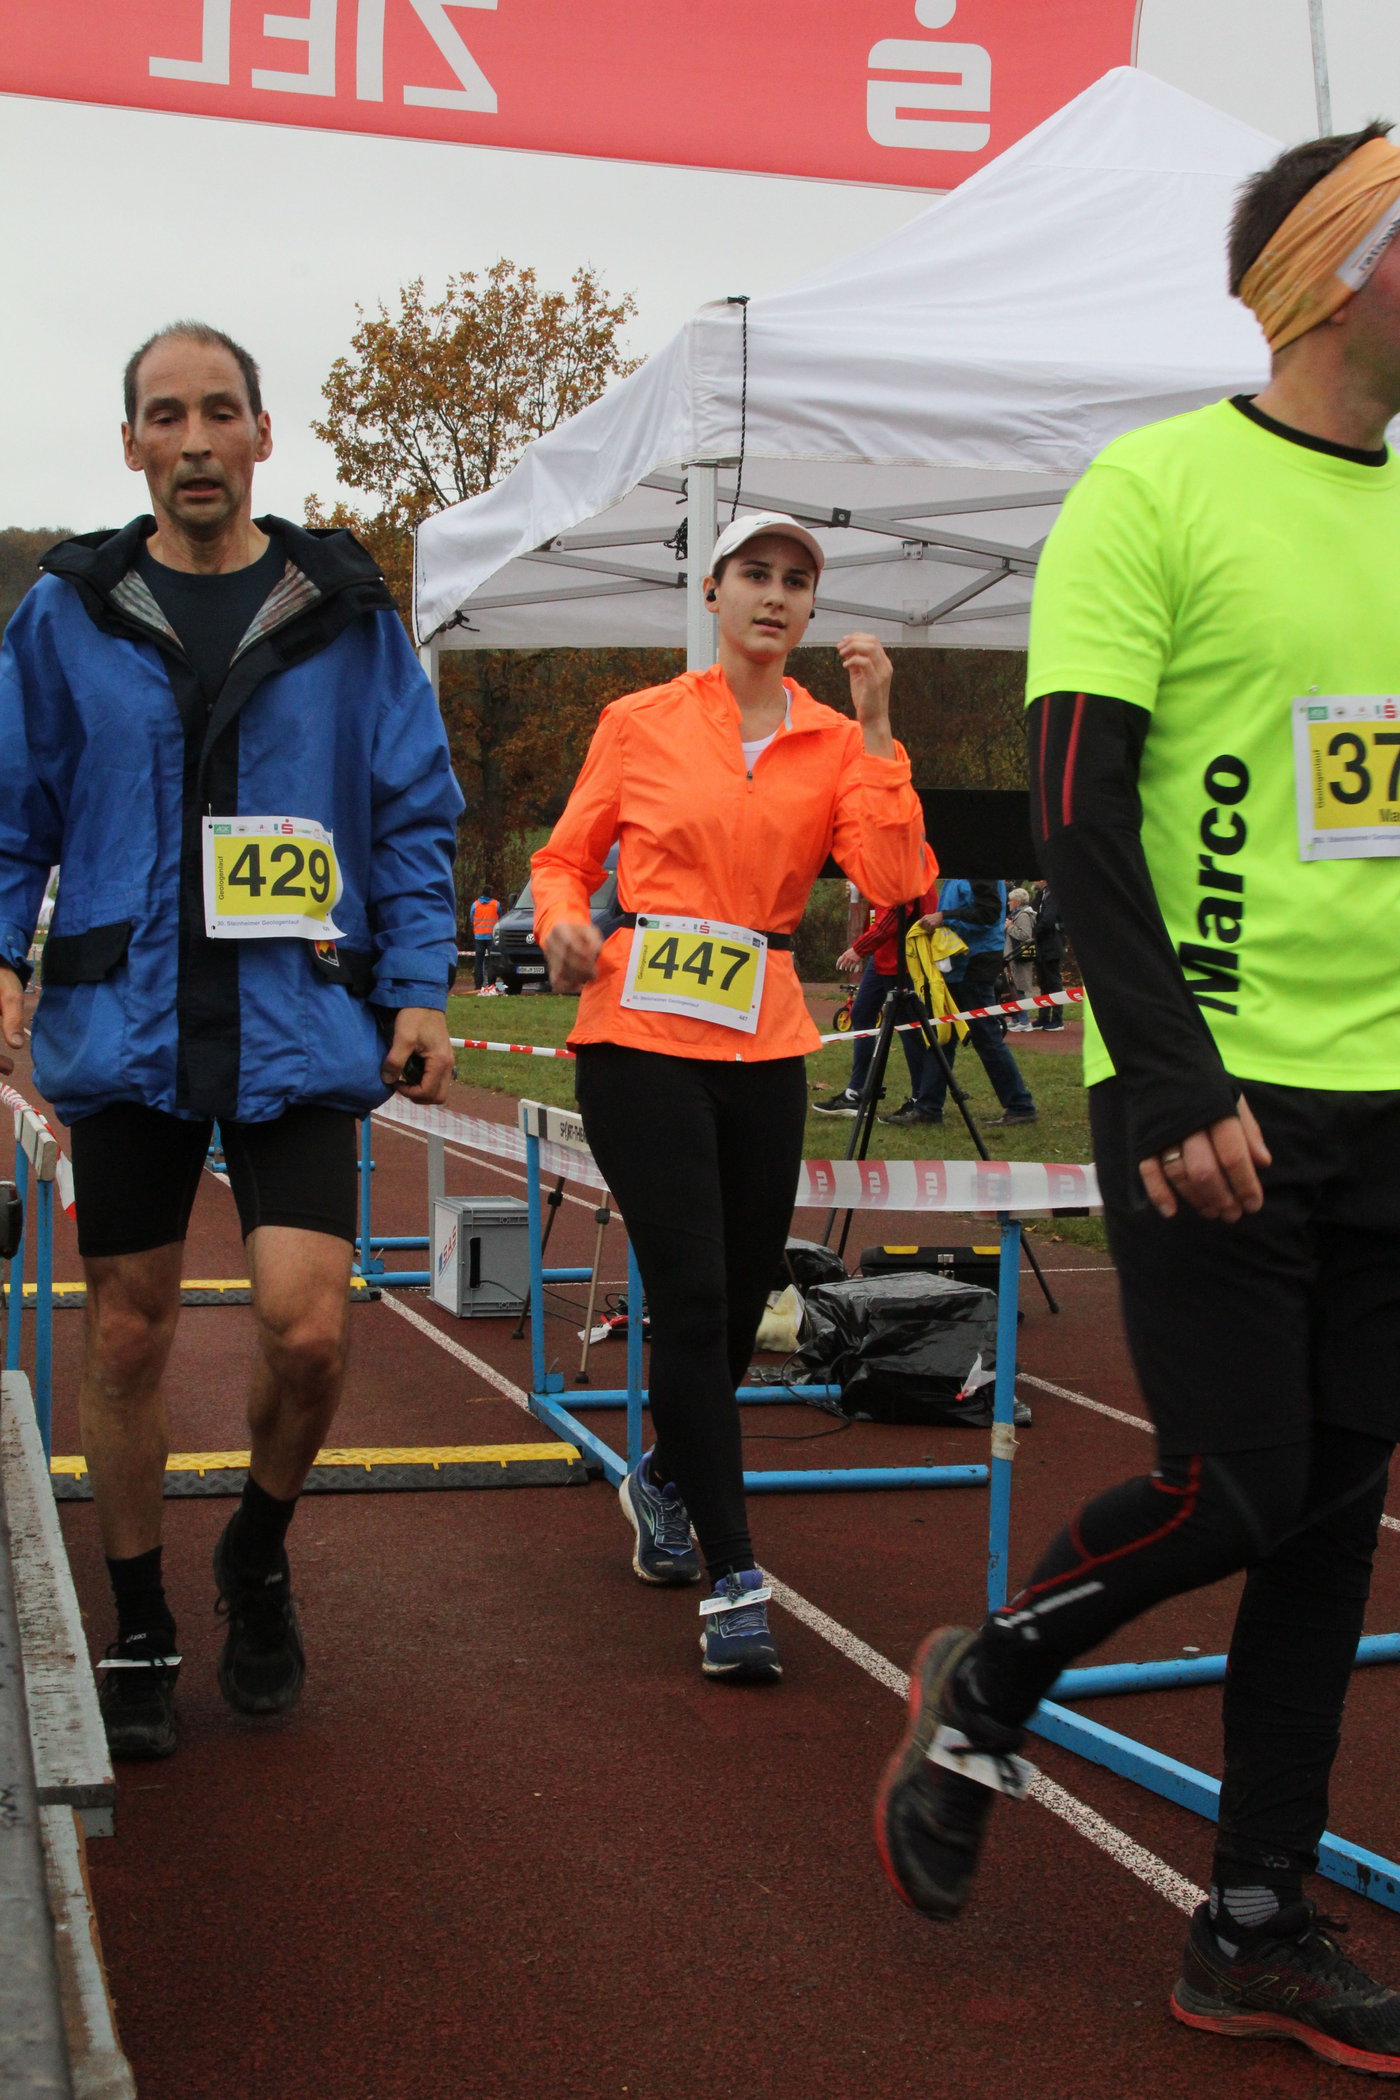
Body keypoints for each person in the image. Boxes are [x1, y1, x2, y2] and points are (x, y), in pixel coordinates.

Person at [875, 123, 1400, 2076]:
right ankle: (990, 1679)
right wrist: (1172, 1073)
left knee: (1328, 1526)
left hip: (1387, 1100)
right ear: (1334, 272)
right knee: (1235, 1484)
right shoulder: (1154, 488)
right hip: (1212, 1089)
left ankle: (1253, 1922)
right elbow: (1077, 806)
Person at [0, 322, 463, 1761]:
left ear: (264, 434)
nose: (194, 440)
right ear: (130, 443)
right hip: (128, 1019)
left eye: (218, 412)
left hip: (298, 1017)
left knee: (308, 1329)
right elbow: (12, 808)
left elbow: (412, 810)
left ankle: (255, 1552)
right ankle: (141, 1618)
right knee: (129, 1327)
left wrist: (422, 984)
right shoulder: (68, 609)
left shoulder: (345, 611)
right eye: (165, 415)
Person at [533, 510, 930, 1680]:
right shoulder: (640, 720)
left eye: (795, 581)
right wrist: (560, 922)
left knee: (746, 1300)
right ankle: (734, 1577)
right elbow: (564, 858)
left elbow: (895, 881)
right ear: (712, 592)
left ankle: (664, 1475)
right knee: (694, 1301)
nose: (773, 595)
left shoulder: (833, 741)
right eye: (753, 574)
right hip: (639, 1035)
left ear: (809, 609)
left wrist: (878, 729)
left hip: (762, 1042)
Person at [881, 878, 1037, 1126]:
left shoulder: (978, 871)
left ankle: (1020, 1106)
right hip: (957, 962)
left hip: (973, 963)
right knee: (943, 1035)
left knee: (985, 1036)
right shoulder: (959, 874)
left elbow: (988, 913)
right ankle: (928, 1107)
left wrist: (944, 916)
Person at [811, 870, 941, 1115]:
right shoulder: (886, 867)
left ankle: (921, 1099)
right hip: (882, 956)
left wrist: (859, 948)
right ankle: (858, 1092)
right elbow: (880, 910)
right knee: (862, 1014)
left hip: (904, 959)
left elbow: (895, 914)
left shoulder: (906, 865)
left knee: (909, 1028)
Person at [1030, 877, 1065, 1030]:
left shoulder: (1053, 895)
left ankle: (1057, 1019)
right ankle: (1043, 1017)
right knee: (1043, 983)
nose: (1033, 883)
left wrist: (1034, 932)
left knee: (1054, 983)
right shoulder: (1041, 895)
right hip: (1041, 946)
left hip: (1051, 945)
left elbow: (1048, 919)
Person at [1002, 886, 1037, 1031]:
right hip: (1013, 956)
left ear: (1017, 901)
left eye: (1010, 900)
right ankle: (1016, 1018)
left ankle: (1024, 1021)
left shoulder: (1023, 916)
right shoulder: (1016, 915)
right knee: (1013, 988)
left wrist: (1010, 927)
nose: (1008, 903)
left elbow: (1025, 935)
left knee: (1019, 988)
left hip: (1020, 957)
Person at [470, 887, 500, 988]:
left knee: (478, 961)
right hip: (491, 937)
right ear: (490, 892)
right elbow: (500, 918)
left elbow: (471, 918)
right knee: (492, 961)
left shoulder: (475, 904)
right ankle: (491, 983)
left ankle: (478, 984)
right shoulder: (496, 904)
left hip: (479, 936)